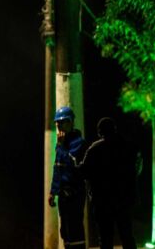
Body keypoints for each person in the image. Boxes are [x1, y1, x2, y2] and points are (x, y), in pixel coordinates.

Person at [79, 117, 140, 249]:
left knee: (105, 238)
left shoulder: (94, 149)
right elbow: (136, 169)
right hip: (124, 200)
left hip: (102, 201)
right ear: (114, 129)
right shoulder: (128, 147)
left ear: (100, 132)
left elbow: (84, 172)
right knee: (127, 236)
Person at [49, 106, 89, 249]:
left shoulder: (79, 143)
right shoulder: (62, 143)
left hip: (75, 193)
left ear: (71, 122)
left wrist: (61, 146)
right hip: (63, 194)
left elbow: (73, 165)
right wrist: (52, 192)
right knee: (65, 231)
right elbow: (57, 167)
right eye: (57, 123)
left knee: (75, 229)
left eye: (63, 122)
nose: (59, 126)